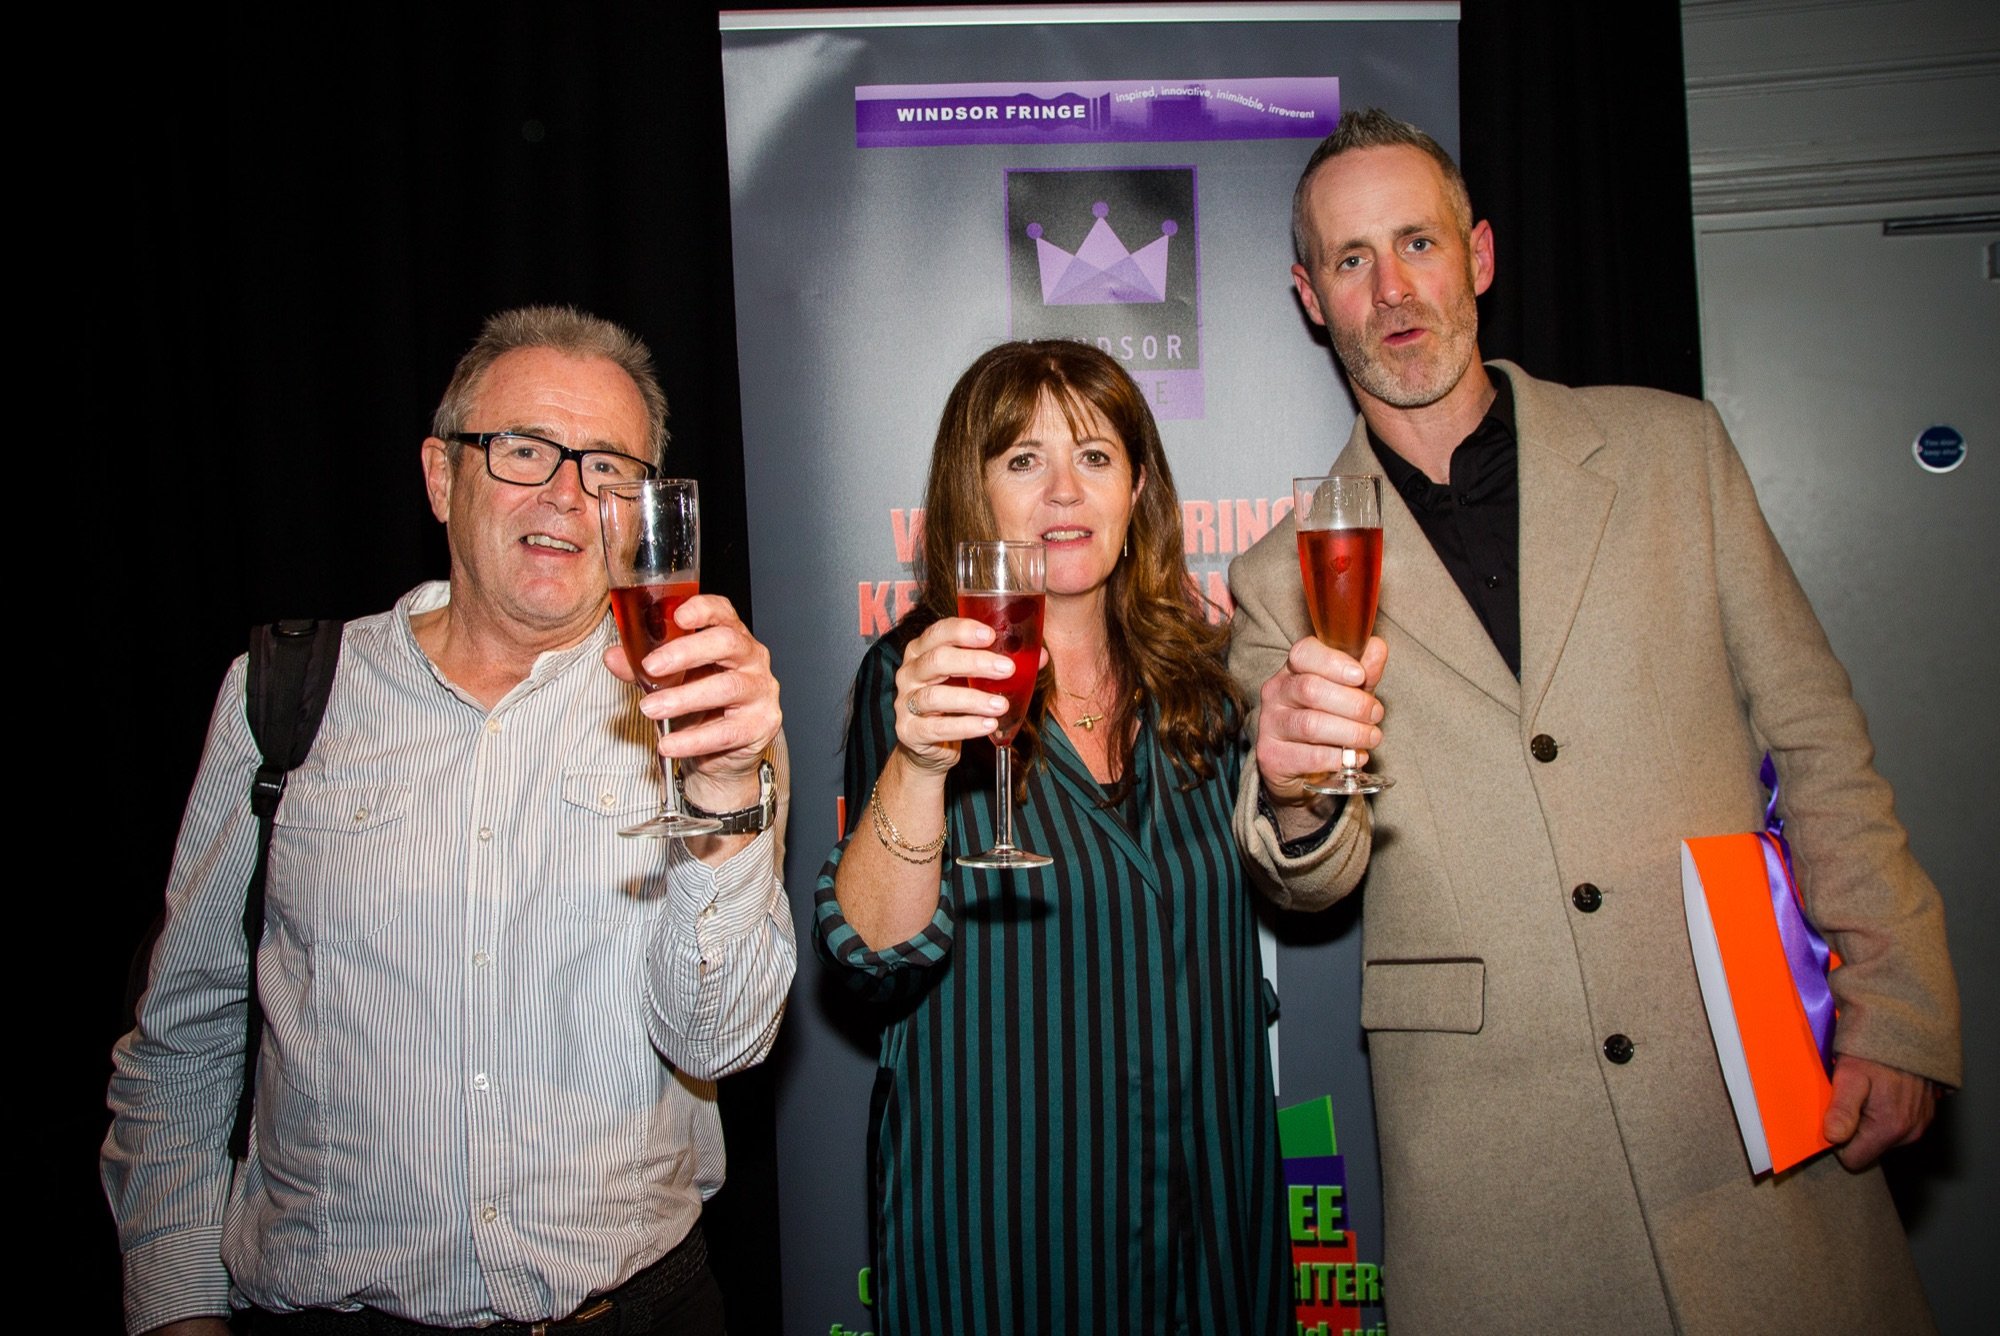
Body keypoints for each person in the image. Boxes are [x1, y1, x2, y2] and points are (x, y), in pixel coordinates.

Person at [1228, 108, 1962, 1332]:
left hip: (1739, 1093)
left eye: (1417, 242)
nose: (1392, 289)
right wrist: (1297, 787)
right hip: (1495, 1167)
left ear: (1482, 254)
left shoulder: (1674, 452)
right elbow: (1307, 881)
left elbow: (1818, 743)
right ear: (1310, 297)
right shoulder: (1276, 574)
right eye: (1351, 261)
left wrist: (1896, 1006)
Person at [103, 306, 796, 1335]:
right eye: (523, 449)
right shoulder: (287, 695)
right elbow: (183, 1039)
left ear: (645, 509)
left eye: (608, 467)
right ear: (441, 475)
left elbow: (722, 1038)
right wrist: (173, 1310)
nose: (567, 492)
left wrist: (722, 789)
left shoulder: (709, 714)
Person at [816, 341, 1291, 1334]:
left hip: (1209, 1219)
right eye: (1023, 461)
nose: (1063, 491)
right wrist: (915, 763)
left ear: (1139, 486)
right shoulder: (917, 683)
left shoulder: (1201, 683)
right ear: (972, 492)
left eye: (1095, 455)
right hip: (1010, 1233)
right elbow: (873, 963)